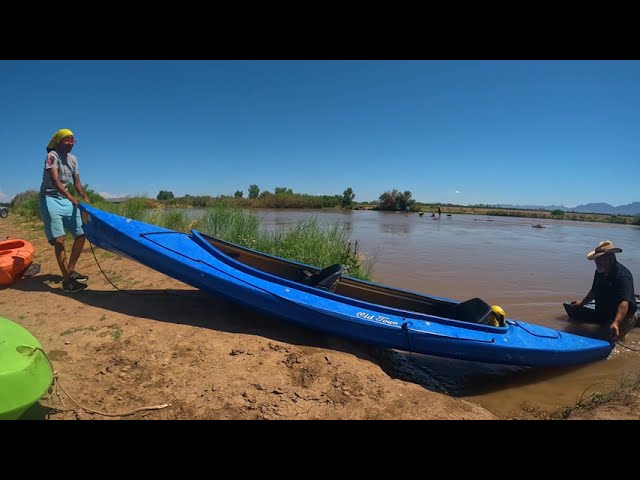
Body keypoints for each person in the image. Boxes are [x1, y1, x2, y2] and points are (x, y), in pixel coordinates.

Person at [39, 128, 91, 293]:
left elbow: (76, 183)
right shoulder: (52, 156)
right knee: (59, 239)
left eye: (72, 140)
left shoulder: (73, 159)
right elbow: (54, 180)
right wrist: (70, 196)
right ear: (59, 141)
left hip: (66, 198)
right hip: (50, 198)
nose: (70, 143)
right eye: (66, 140)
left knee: (81, 234)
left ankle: (70, 270)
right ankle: (67, 281)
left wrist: (82, 194)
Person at [570, 240, 637, 341]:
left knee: (604, 339)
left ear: (610, 258)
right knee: (577, 330)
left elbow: (624, 303)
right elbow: (594, 291)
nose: (597, 262)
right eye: (596, 260)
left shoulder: (622, 276)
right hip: (607, 313)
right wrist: (581, 303)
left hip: (624, 316)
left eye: (600, 259)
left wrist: (616, 322)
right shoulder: (600, 271)